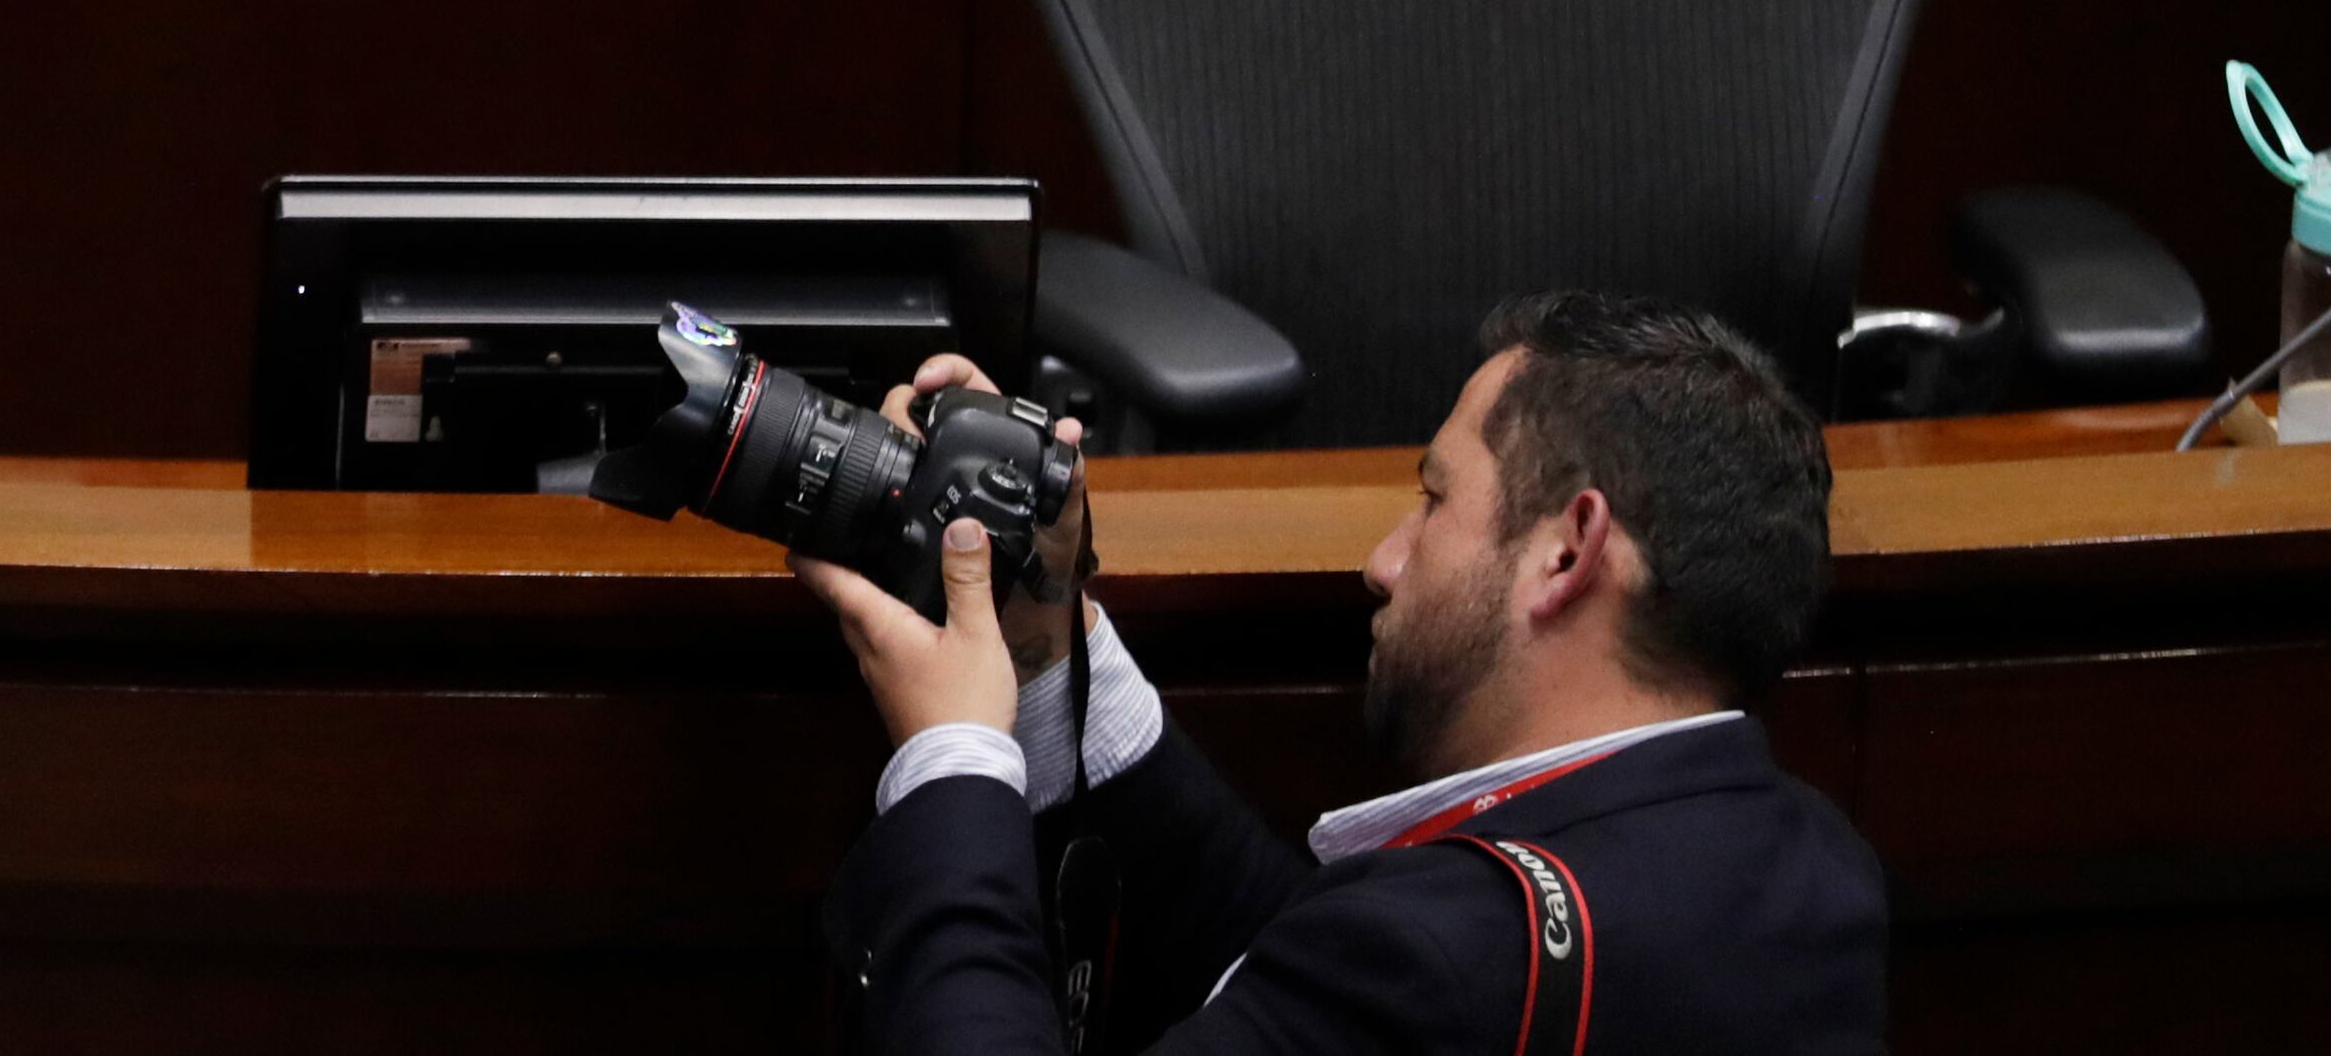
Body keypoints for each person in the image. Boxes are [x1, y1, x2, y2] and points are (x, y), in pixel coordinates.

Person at [806, 293, 1885, 1050]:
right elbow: (1292, 976)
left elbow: (1384, 974)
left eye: (1431, 498)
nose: (1383, 563)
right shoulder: (1810, 873)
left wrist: (952, 760)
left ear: (1567, 550)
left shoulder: (1434, 957)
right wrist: (1049, 641)